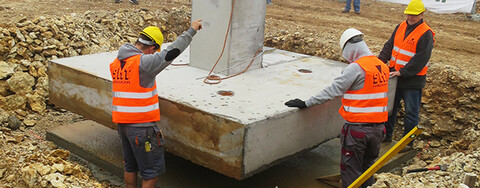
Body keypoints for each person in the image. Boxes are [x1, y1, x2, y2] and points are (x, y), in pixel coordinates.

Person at [285, 28, 389, 188]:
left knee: (351, 170)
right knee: (367, 169)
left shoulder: (356, 68)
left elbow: (332, 91)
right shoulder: (380, 66)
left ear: (350, 49)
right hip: (378, 130)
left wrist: (306, 103)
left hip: (358, 131)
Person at [109, 20, 202, 188]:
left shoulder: (118, 63)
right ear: (152, 48)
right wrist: (191, 31)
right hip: (142, 129)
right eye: (154, 52)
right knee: (151, 173)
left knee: (130, 167)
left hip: (123, 126)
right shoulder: (143, 63)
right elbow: (171, 52)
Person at [378, 0, 435, 152]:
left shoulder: (426, 34)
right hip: (395, 77)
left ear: (422, 15)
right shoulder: (401, 26)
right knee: (390, 109)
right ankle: (387, 135)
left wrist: (403, 72)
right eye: (409, 14)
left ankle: (407, 144)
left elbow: (421, 59)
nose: (410, 17)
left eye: (414, 15)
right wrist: (379, 63)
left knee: (411, 113)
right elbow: (389, 46)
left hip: (412, 81)